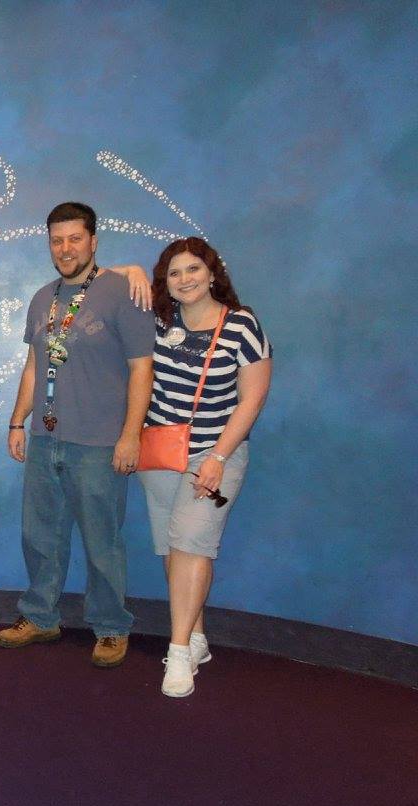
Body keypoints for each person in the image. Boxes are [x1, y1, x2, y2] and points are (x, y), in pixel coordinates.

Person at [0, 202, 155, 667]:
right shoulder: (42, 298)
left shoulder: (124, 292)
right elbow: (33, 365)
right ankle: (40, 617)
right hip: (46, 438)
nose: (65, 249)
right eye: (57, 240)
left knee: (102, 543)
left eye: (75, 239)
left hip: (100, 443)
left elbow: (142, 369)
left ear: (93, 241)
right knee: (40, 536)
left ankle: (110, 627)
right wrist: (17, 421)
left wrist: (131, 435)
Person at [137, 237, 271, 697]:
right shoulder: (159, 321)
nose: (185, 279)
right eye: (174, 273)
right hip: (160, 451)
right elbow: (102, 280)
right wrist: (131, 271)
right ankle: (196, 638)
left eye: (193, 269)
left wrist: (217, 457)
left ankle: (178, 654)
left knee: (193, 543)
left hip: (215, 454)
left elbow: (252, 399)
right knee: (172, 549)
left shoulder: (242, 325)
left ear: (213, 273)